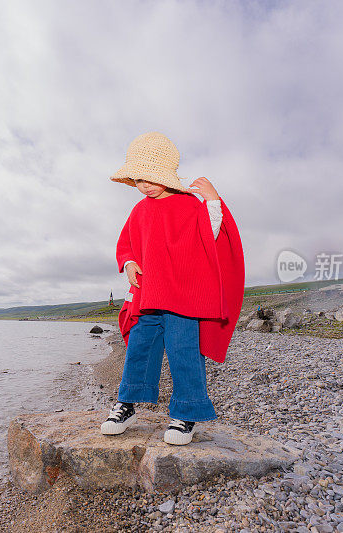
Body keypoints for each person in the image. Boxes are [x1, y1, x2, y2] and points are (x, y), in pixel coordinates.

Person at [101, 131, 245, 445]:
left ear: (167, 175)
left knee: (184, 354)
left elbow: (213, 234)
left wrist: (213, 200)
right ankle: (127, 404)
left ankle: (186, 414)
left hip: (183, 298)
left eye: (151, 177)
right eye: (138, 179)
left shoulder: (189, 205)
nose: (144, 185)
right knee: (139, 348)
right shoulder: (139, 211)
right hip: (150, 296)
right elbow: (126, 244)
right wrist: (128, 263)